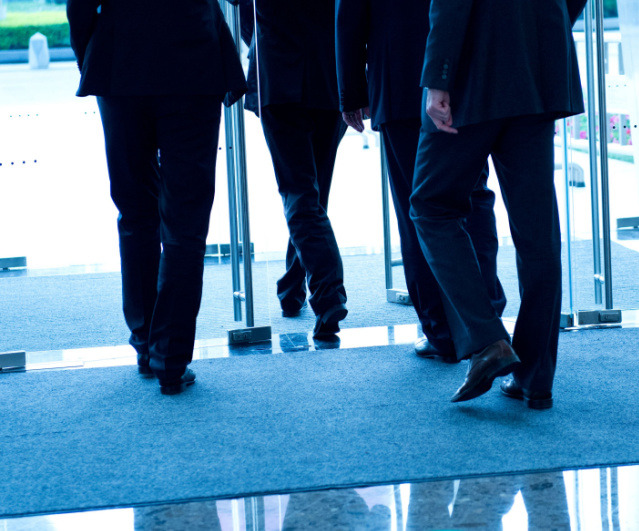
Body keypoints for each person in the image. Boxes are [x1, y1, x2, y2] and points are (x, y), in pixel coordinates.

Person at [409, 0, 588, 405]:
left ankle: (489, 340)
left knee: (430, 206)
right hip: (539, 64)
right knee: (537, 231)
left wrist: (438, 78)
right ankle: (535, 375)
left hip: (476, 69)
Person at [66, 0, 247, 395]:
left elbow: (79, 5)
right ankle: (170, 357)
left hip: (120, 59)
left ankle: (146, 344)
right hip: (193, 60)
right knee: (186, 218)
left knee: (134, 211)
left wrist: (91, 54)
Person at [335, 0, 506, 362]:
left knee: (417, 210)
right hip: (462, 74)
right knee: (472, 199)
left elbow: (350, 13)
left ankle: (441, 332)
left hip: (397, 78)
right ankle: (487, 317)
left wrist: (352, 91)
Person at [241, 0, 349, 339]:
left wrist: (265, 41)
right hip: (330, 75)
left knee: (299, 192)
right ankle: (292, 286)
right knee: (313, 194)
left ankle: (328, 294)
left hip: (279, 74)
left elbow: (244, 12)